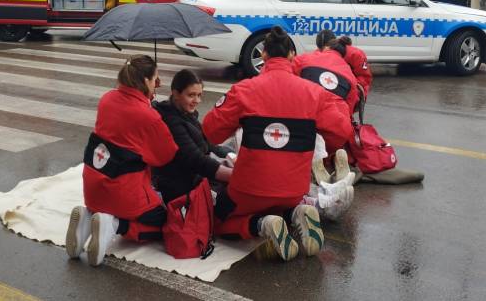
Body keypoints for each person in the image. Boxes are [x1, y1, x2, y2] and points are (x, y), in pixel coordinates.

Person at [202, 27, 353, 261]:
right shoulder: (315, 93)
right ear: (292, 55)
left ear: (263, 55)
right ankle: (296, 212)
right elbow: (341, 131)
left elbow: (210, 131)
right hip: (294, 190)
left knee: (219, 219)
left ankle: (262, 224)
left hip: (248, 189)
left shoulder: (244, 90)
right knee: (279, 201)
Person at [65, 55, 178, 266]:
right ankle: (114, 225)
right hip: (124, 193)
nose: (156, 83)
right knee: (163, 222)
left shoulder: (106, 99)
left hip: (93, 187)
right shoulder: (148, 115)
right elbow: (166, 155)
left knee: (109, 202)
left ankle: (88, 218)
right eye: (155, 79)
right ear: (146, 81)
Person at [152, 69, 233, 203]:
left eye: (199, 95)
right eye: (191, 95)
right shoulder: (171, 121)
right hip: (182, 184)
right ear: (176, 93)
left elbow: (206, 142)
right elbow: (195, 159)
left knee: (229, 151)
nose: (197, 100)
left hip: (196, 172)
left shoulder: (185, 112)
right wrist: (233, 176)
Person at [292, 30, 359, 186]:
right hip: (338, 128)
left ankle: (314, 161)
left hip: (307, 121)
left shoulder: (305, 59)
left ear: (325, 49)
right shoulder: (349, 73)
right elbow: (349, 109)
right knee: (333, 133)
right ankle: (332, 159)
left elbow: (286, 80)